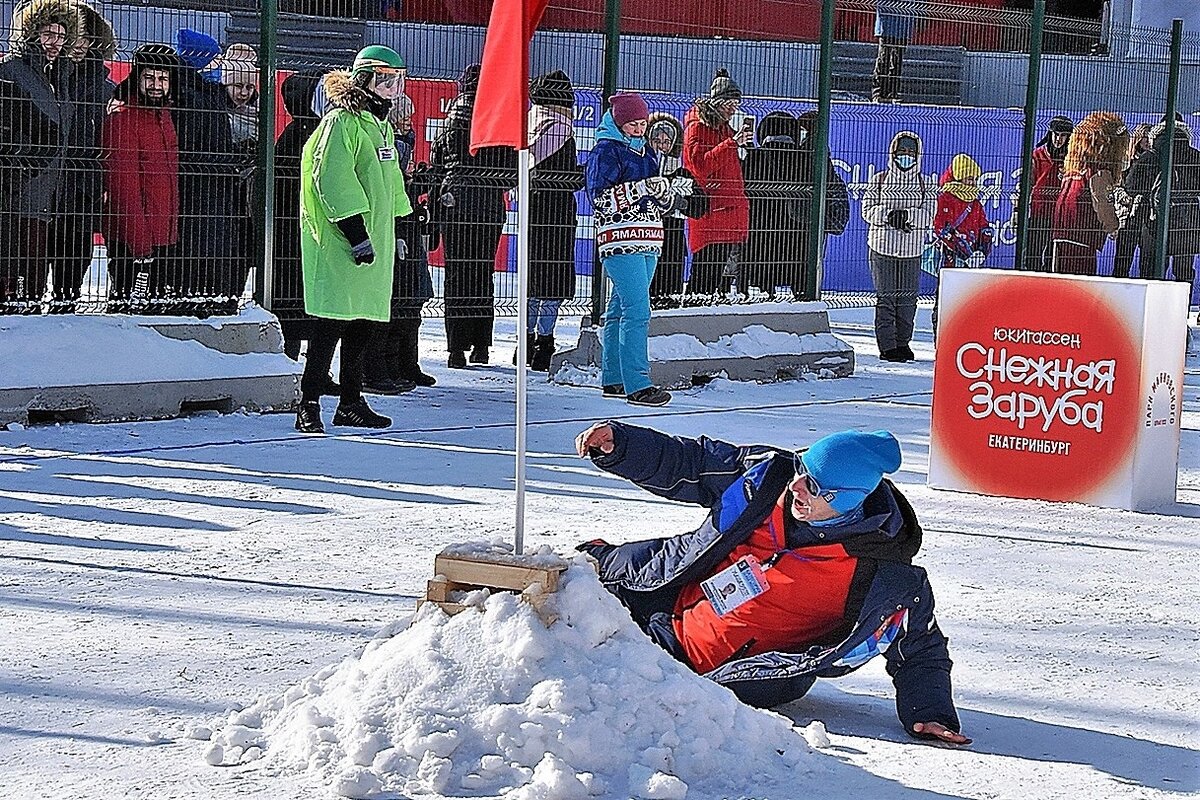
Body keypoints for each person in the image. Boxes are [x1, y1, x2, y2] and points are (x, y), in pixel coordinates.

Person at [574, 421, 969, 746]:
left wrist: (929, 711)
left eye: (813, 487)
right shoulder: (766, 479)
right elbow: (693, 462)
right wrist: (622, 446)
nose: (796, 487)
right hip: (662, 611)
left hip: (729, 682)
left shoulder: (887, 578)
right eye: (802, 471)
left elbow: (920, 646)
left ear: (850, 502)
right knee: (561, 604)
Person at [295, 45, 413, 434]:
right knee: (331, 323)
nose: (391, 89)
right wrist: (356, 234)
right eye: (384, 80)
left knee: (364, 322)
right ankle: (308, 403)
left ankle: (350, 402)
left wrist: (406, 218)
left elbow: (390, 180)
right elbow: (331, 179)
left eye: (397, 81)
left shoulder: (379, 126)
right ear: (363, 81)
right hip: (343, 242)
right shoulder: (340, 123)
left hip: (374, 241)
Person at [586, 92, 692, 408]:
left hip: (648, 238)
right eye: (632, 123)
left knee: (620, 308)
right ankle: (638, 383)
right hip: (620, 239)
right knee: (638, 310)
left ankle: (614, 379)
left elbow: (650, 195)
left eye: (642, 123)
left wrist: (666, 194)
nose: (638, 128)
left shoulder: (645, 152)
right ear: (618, 123)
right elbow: (601, 198)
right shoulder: (605, 151)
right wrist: (645, 188)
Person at [429, 63, 517, 368]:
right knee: (482, 272)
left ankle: (456, 349)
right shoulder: (497, 122)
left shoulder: (451, 120)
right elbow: (511, 173)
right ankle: (481, 345)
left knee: (456, 273)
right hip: (488, 203)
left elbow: (436, 165)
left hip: (455, 200)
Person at [0, 0, 80, 311]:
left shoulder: (60, 77)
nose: (54, 43)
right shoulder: (10, 71)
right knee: (16, 273)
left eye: (61, 36)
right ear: (31, 33)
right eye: (48, 34)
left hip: (50, 192)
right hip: (17, 191)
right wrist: (21, 171)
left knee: (36, 276)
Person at [362, 91, 435, 393]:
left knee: (411, 298)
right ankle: (383, 365)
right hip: (391, 225)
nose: (408, 123)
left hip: (405, 222)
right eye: (403, 118)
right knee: (395, 299)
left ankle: (406, 361)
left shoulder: (401, 144)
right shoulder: (387, 144)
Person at [101, 44, 180, 313]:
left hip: (162, 236)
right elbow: (123, 188)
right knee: (126, 313)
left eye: (163, 78)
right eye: (150, 77)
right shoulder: (123, 119)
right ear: (137, 78)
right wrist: (140, 243)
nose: (157, 85)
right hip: (132, 242)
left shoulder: (164, 117)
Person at [172, 27, 240, 315]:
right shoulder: (192, 99)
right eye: (213, 62)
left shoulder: (207, 96)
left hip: (209, 186)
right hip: (200, 188)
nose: (218, 67)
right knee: (199, 248)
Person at [56, 0, 115, 312]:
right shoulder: (49, 77)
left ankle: (69, 299)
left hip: (86, 183)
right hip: (49, 176)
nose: (80, 45)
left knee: (78, 248)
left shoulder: (107, 88)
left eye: (87, 38)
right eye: (74, 36)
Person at [525, 69, 585, 372]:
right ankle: (544, 345)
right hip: (558, 214)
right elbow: (563, 178)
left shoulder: (530, 123)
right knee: (553, 282)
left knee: (532, 278)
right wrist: (581, 174)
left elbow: (532, 167)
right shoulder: (561, 129)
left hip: (533, 210)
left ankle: (525, 341)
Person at [861, 131, 935, 362]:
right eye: (902, 151)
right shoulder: (879, 180)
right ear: (893, 153)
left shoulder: (926, 184)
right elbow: (867, 210)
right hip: (882, 249)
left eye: (911, 152)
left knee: (907, 300)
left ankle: (904, 343)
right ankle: (888, 346)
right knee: (886, 298)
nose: (906, 156)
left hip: (911, 251)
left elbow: (929, 215)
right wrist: (888, 215)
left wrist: (907, 216)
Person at [683, 68, 751, 298]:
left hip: (725, 210)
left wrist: (738, 144)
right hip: (710, 211)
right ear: (718, 102)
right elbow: (699, 165)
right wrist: (732, 144)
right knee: (704, 275)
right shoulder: (698, 127)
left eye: (736, 106)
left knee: (717, 279)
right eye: (729, 105)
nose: (733, 111)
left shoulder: (724, 128)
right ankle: (692, 320)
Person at [273, 69, 325, 361]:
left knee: (309, 305)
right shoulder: (299, 136)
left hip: (305, 229)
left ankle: (311, 367)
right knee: (293, 303)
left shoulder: (305, 133)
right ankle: (290, 362)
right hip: (294, 231)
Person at [1125, 117, 1200, 287]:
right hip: (1187, 226)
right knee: (1184, 272)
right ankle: (1181, 308)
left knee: (1152, 272)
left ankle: (1152, 310)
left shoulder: (1150, 156)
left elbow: (1131, 186)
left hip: (1154, 225)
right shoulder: (1194, 155)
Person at [1052, 111, 1126, 276]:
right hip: (1084, 235)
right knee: (1081, 284)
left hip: (1061, 232)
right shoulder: (1098, 172)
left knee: (1061, 281)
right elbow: (1101, 201)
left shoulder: (1072, 170)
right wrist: (1112, 227)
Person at [646, 112, 704, 305]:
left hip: (673, 243)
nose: (662, 145)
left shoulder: (681, 172)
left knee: (669, 296)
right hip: (645, 239)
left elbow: (699, 207)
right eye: (656, 139)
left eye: (666, 140)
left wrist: (679, 202)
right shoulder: (642, 168)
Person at [792, 111, 850, 299]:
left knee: (803, 262)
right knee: (811, 262)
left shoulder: (809, 149)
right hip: (813, 215)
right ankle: (808, 295)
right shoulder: (819, 148)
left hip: (805, 215)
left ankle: (805, 296)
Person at [1022, 115, 1073, 272]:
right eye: (1055, 134)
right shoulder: (1037, 155)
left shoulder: (1071, 159)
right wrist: (1019, 210)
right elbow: (1026, 185)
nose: (1058, 139)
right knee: (1033, 254)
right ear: (1049, 134)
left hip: (1060, 215)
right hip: (1038, 212)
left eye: (1063, 136)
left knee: (1055, 257)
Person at [1112, 122, 1151, 279]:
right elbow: (1116, 186)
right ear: (1138, 139)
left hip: (1148, 217)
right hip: (1128, 215)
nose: (1148, 141)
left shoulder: (1155, 161)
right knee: (1123, 260)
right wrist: (1127, 198)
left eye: (1150, 138)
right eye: (1144, 138)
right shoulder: (1125, 161)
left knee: (1147, 263)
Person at [873, 0, 916, 103]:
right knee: (884, 59)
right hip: (888, 22)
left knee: (896, 61)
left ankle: (892, 93)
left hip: (902, 24)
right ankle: (879, 93)